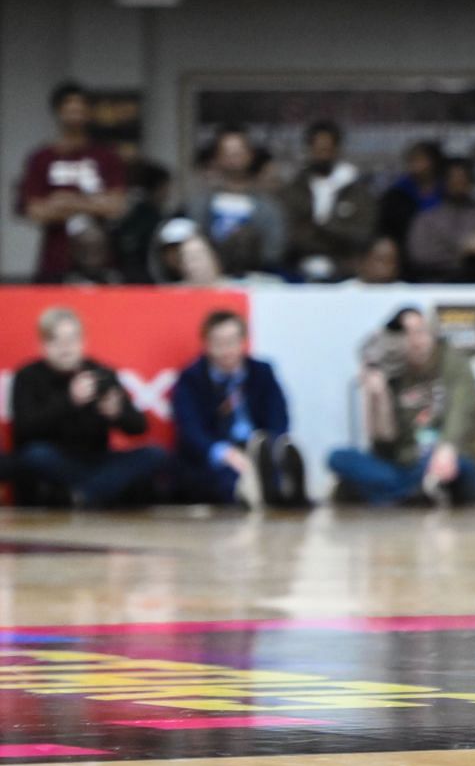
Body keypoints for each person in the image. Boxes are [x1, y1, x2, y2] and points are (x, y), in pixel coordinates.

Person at [328, 307, 475, 505]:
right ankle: (412, 492)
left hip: (453, 459)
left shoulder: (452, 360)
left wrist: (447, 448)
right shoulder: (392, 371)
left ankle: (394, 495)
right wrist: (378, 395)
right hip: (408, 465)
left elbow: (462, 411)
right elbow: (384, 441)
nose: (416, 341)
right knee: (338, 458)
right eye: (407, 335)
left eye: (421, 331)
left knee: (458, 468)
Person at [10, 308, 166, 507]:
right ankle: (99, 493)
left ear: (83, 342)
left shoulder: (101, 374)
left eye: (71, 340)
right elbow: (23, 431)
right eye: (56, 340)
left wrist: (117, 413)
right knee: (33, 456)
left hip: (99, 460)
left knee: (154, 454)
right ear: (42, 345)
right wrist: (70, 400)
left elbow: (139, 427)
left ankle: (83, 496)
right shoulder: (27, 376)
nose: (64, 347)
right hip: (58, 460)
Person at [171, 311, 307, 509]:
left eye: (232, 341)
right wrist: (226, 453)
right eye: (219, 342)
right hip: (220, 452)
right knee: (220, 479)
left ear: (243, 341)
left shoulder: (262, 371)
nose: (227, 349)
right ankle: (254, 491)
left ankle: (283, 487)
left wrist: (271, 446)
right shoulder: (191, 378)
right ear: (206, 344)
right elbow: (190, 430)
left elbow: (279, 415)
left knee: (272, 461)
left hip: (258, 448)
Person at [16, 81, 127, 284]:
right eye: (69, 109)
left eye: (80, 109)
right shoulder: (41, 158)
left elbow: (116, 207)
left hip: (100, 261)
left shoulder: (106, 156)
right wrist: (94, 204)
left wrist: (67, 201)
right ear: (58, 112)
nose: (75, 115)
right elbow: (35, 211)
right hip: (55, 260)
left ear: (88, 113)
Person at [283, 120, 378, 282]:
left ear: (337, 149)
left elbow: (362, 234)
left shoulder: (357, 190)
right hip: (299, 270)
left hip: (347, 271)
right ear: (309, 149)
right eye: (318, 149)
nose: (322, 154)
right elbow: (289, 232)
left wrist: (324, 228)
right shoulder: (295, 188)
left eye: (327, 149)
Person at [186, 127, 286, 276]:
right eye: (227, 152)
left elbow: (275, 248)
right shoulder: (199, 205)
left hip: (258, 282)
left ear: (250, 155)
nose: (233, 157)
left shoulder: (269, 207)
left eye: (239, 151)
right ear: (216, 157)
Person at [404, 157, 475, 282]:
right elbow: (419, 254)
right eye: (454, 179)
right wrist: (463, 252)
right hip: (432, 283)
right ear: (444, 182)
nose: (458, 184)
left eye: (463, 179)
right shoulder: (426, 218)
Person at [378, 140, 444, 258]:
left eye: (421, 160)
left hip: (440, 255)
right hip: (405, 255)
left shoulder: (445, 192)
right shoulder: (397, 194)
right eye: (412, 160)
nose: (416, 165)